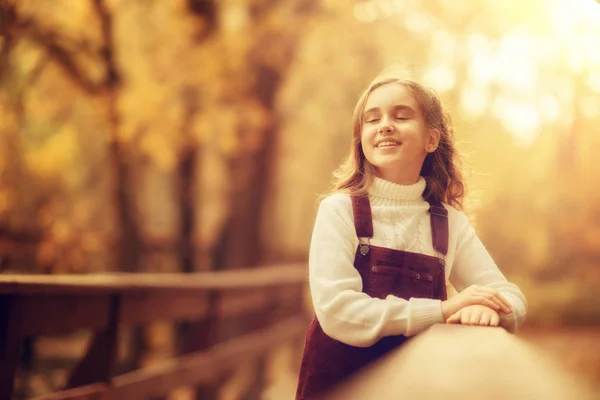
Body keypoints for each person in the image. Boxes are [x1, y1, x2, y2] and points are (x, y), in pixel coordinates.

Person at [295, 69, 528, 400]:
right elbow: (337, 311)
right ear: (361, 138)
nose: (385, 125)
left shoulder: (449, 223)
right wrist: (443, 311)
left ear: (431, 139)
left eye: (401, 116)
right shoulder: (339, 210)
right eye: (372, 119)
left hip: (416, 388)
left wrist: (491, 309)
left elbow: (512, 296)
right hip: (338, 388)